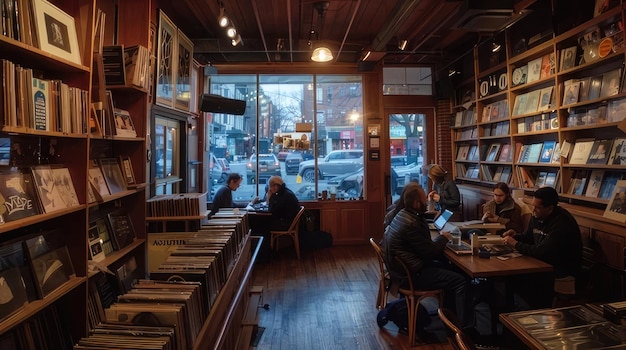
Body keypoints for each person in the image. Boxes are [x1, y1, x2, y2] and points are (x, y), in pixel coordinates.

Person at [380, 184, 474, 330]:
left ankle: (448, 318)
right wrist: (443, 238)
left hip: (404, 272)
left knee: (453, 270)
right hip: (413, 275)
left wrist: (429, 219)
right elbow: (431, 252)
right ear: (417, 203)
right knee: (460, 280)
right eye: (425, 200)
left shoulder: (403, 214)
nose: (427, 203)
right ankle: (465, 329)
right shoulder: (411, 223)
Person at [502, 187, 582, 308]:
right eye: (533, 206)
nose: (533, 211)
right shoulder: (537, 215)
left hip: (560, 271)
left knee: (517, 281)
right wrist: (516, 236)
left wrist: (515, 244)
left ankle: (526, 317)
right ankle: (508, 316)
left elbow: (542, 252)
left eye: (537, 207)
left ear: (550, 208)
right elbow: (528, 237)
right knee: (507, 280)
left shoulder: (562, 223)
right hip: (541, 265)